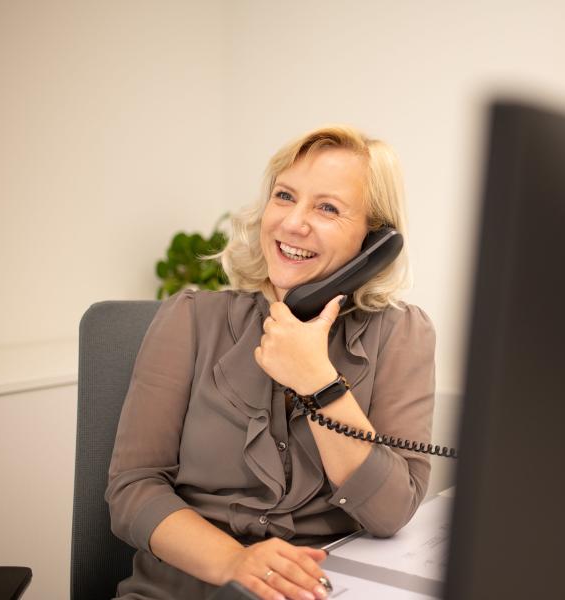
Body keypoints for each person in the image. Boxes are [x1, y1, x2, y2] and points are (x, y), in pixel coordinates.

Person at [106, 125, 436, 600]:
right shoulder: (193, 319)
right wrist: (235, 561)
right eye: (284, 196)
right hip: (184, 589)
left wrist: (320, 382)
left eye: (327, 208)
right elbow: (132, 489)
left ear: (376, 239)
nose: (293, 223)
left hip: (316, 590)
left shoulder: (403, 334)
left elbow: (390, 511)